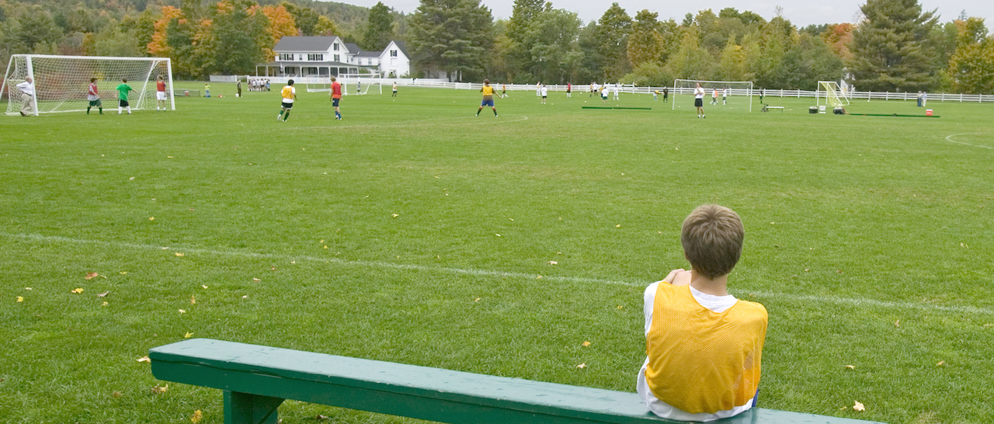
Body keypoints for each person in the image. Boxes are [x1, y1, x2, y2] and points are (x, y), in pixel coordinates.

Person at [637, 204, 767, 422]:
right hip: (728, 410)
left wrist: (671, 280)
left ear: (687, 255)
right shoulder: (755, 315)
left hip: (661, 403)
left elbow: (661, 288)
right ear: (736, 259)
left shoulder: (656, 293)